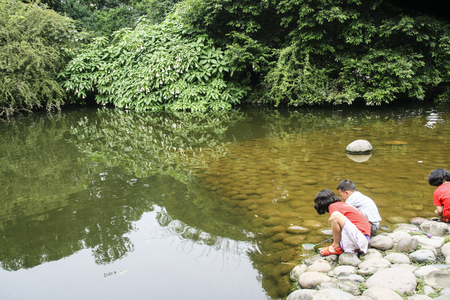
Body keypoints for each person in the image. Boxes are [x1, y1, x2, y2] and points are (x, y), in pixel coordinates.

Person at [314, 189, 371, 256]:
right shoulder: (343, 204)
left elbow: (335, 219)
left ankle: (336, 247)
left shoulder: (332, 206)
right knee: (333, 218)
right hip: (364, 239)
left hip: (359, 239)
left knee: (334, 217)